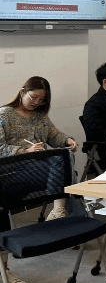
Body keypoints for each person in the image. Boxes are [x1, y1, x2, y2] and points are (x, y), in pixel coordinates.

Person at [0, 76, 78, 225]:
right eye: (33, 97)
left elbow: (54, 135)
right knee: (65, 168)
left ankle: (61, 213)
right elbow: (0, 148)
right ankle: (63, 214)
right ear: (22, 92)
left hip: (39, 168)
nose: (36, 102)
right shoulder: (4, 115)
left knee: (66, 157)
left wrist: (68, 140)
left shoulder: (40, 116)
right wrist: (26, 151)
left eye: (41, 100)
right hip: (13, 171)